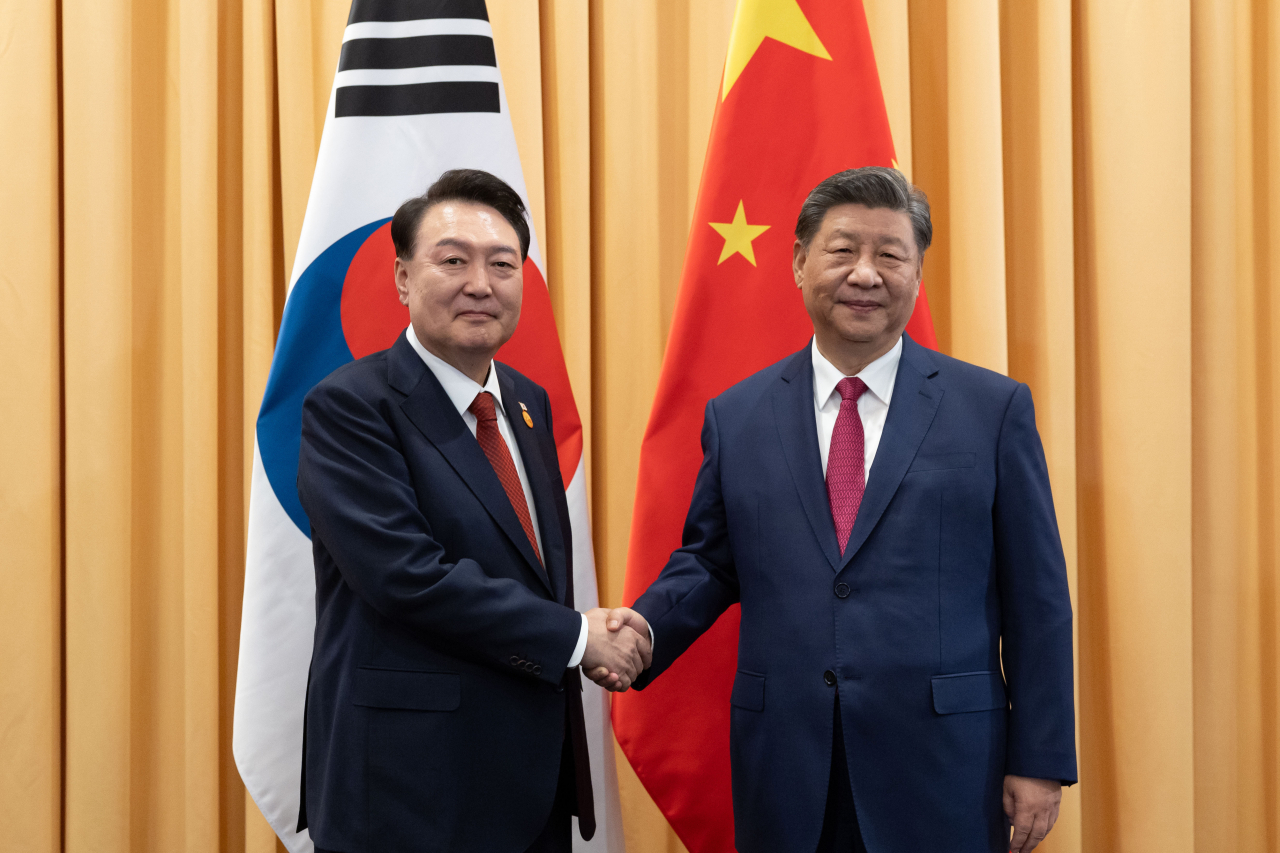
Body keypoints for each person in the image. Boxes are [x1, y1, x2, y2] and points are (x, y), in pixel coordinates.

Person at [597, 167, 1076, 853]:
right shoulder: (738, 415)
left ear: (917, 271)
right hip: (789, 765)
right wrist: (643, 629)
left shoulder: (992, 410)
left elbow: (1039, 597)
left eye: (890, 254)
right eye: (843, 249)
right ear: (798, 262)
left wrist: (1041, 756)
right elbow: (710, 559)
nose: (866, 273)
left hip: (945, 766)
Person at [295, 169, 651, 853]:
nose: (480, 284)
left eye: (502, 264)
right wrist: (578, 638)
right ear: (402, 278)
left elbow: (528, 573)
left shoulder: (528, 403)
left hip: (531, 786)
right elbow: (407, 576)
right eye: (452, 260)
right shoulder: (349, 407)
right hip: (408, 790)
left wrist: (585, 635)